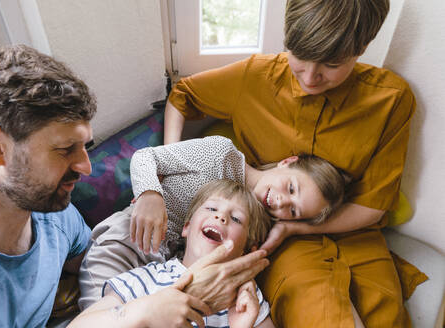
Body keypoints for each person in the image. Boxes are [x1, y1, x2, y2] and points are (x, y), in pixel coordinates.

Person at [163, 0, 417, 326]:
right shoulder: (256, 76)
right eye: (300, 56)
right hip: (281, 246)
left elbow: (372, 207)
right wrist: (173, 158)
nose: (310, 77)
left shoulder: (391, 99)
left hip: (357, 236)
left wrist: (293, 225)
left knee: (387, 315)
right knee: (314, 309)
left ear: (362, 47)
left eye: (331, 64)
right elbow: (183, 95)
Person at [78, 135, 347, 310]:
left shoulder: (253, 227)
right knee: (102, 315)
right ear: (287, 162)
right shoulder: (220, 154)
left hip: (167, 270)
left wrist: (290, 227)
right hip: (131, 238)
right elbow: (147, 157)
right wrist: (150, 193)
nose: (280, 202)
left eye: (293, 210)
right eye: (290, 188)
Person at [0, 45, 97, 327]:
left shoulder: (52, 209)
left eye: (84, 146)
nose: (86, 167)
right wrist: (129, 315)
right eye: (66, 148)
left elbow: (104, 265)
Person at [71, 179, 276, 328]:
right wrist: (146, 311)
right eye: (211, 208)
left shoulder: (247, 299)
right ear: (186, 228)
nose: (221, 216)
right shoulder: (147, 278)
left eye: (236, 219)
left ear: (247, 251)